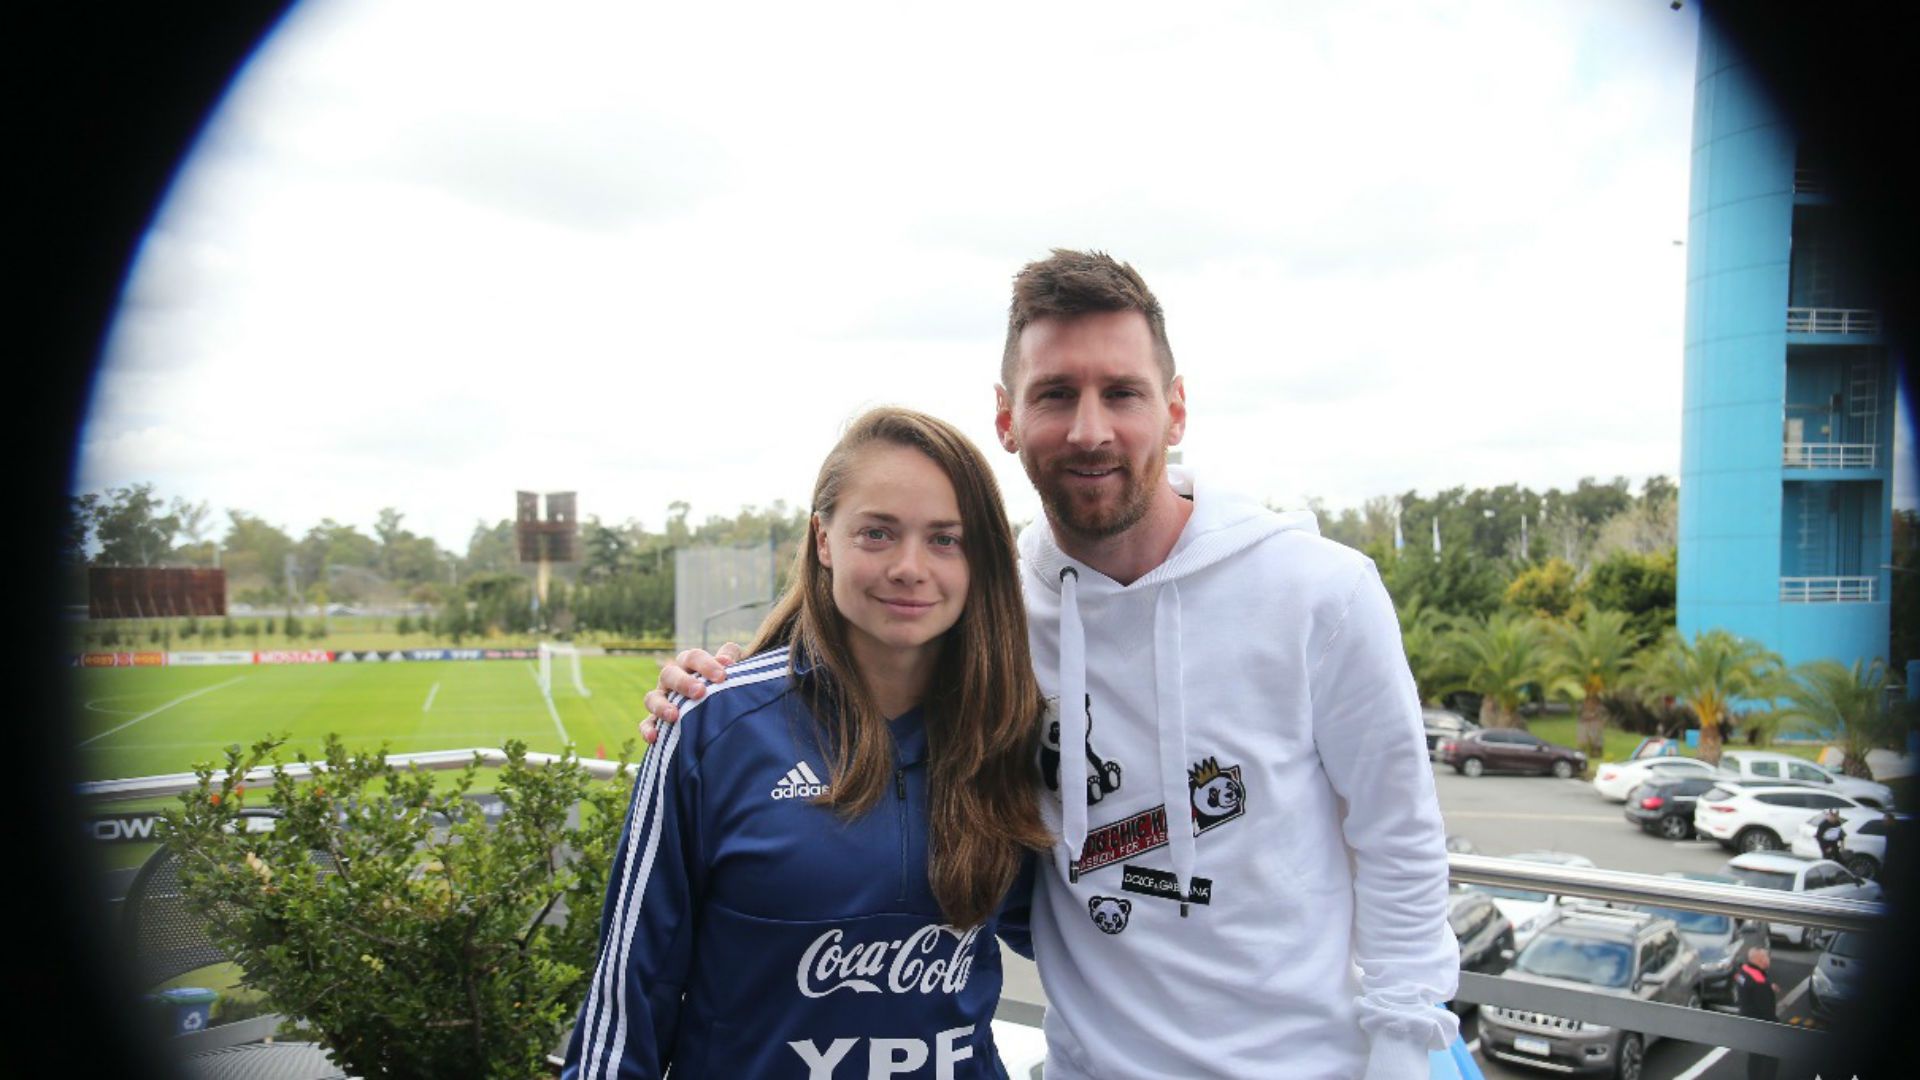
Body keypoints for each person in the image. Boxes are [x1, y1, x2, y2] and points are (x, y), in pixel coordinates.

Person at [647, 250, 1459, 1079]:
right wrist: (718, 687)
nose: (1090, 429)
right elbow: (852, 672)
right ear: (1006, 419)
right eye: (1056, 395)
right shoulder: (991, 613)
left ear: (1175, 410)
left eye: (1123, 392)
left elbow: (1399, 837)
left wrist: (1402, 1044)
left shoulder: (1321, 592)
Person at [563, 407, 1051, 1080]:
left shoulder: (1007, 730)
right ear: (824, 540)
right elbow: (627, 1006)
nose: (911, 567)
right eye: (877, 533)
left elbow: (1075, 930)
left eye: (946, 539)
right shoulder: (714, 726)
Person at [1733, 947, 1777, 1080]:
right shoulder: (1760, 983)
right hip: (1760, 1026)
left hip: (1746, 1018)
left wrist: (1769, 987)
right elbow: (1767, 1011)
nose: (1768, 959)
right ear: (1760, 960)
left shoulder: (1743, 971)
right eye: (1766, 957)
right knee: (1771, 1058)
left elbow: (1748, 986)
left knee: (1754, 1056)